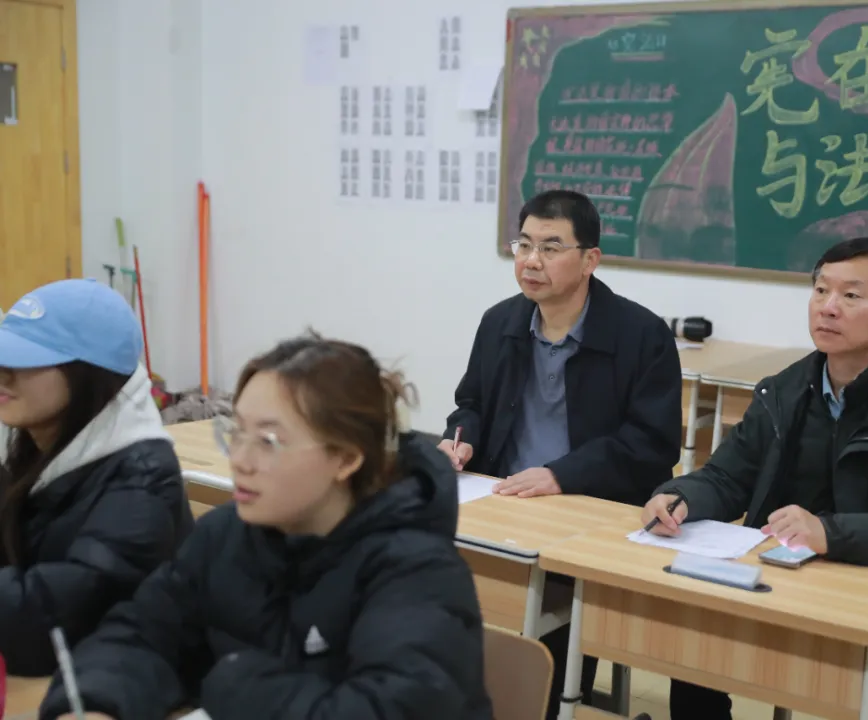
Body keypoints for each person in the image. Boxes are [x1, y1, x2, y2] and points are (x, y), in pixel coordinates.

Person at [40, 332, 494, 720]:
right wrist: (95, 704)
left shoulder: (418, 572)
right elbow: (140, 635)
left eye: (268, 442)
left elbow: (384, 709)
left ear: (345, 458)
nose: (240, 460)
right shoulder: (224, 536)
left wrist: (233, 683)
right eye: (236, 432)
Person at [642, 238, 868, 720]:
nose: (828, 307)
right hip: (779, 587)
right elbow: (727, 476)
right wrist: (680, 496)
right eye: (821, 290)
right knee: (691, 648)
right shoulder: (783, 392)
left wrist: (829, 533)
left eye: (851, 295)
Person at [437, 189, 683, 718]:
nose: (531, 261)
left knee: (546, 661)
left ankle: (549, 700)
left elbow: (652, 444)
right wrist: (460, 437)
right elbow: (470, 403)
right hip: (503, 503)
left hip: (591, 513)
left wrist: (561, 475)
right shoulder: (500, 321)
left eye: (550, 248)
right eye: (524, 244)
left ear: (590, 259)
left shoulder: (641, 335)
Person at [0, 279, 193, 676]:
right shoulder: (32, 451)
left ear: (87, 373)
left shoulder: (143, 482)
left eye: (24, 359)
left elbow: (49, 628)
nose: (3, 373)